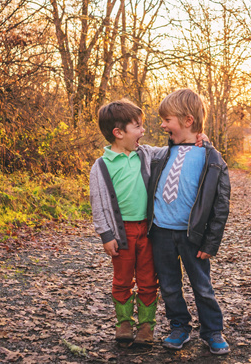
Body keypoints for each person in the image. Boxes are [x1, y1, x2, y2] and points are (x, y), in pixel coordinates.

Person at [147, 88, 232, 355]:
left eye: (167, 120)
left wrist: (212, 242)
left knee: (201, 286)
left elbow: (220, 206)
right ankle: (179, 326)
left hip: (191, 234)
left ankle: (212, 330)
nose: (162, 125)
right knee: (170, 284)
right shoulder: (162, 154)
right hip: (161, 232)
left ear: (187, 121)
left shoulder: (212, 158)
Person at [89, 99, 158, 346]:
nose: (143, 131)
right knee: (122, 279)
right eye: (137, 126)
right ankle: (124, 323)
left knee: (149, 279)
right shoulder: (101, 166)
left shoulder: (146, 154)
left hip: (148, 231)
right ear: (118, 133)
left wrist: (198, 138)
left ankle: (147, 326)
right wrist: (106, 235)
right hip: (121, 233)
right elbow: (97, 204)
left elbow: (174, 150)